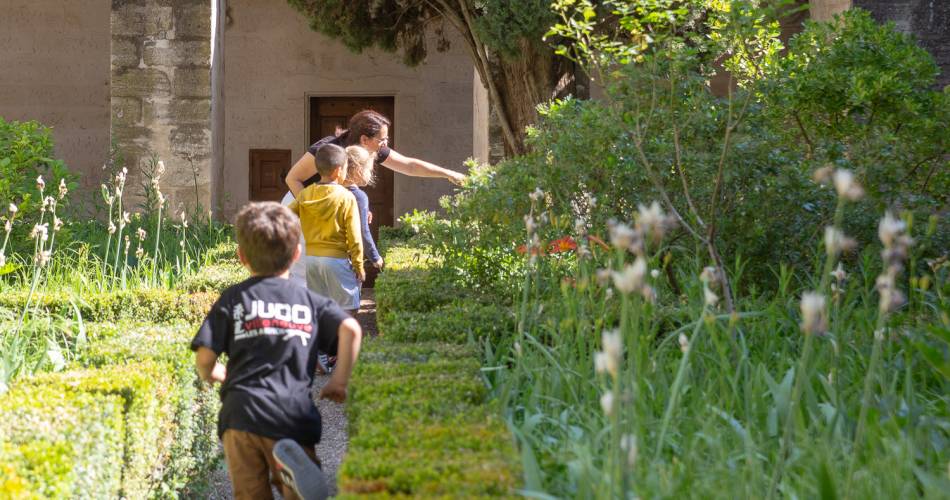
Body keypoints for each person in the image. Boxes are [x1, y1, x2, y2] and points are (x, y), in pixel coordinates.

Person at [191, 201, 362, 500]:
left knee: (249, 492)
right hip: (291, 414)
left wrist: (221, 375)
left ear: (241, 257)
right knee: (298, 489)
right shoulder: (308, 301)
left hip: (240, 414)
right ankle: (292, 478)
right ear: (296, 254)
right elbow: (351, 330)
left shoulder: (233, 298)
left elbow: (205, 360)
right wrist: (339, 381)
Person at [284, 110, 465, 200]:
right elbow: (292, 179)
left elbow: (410, 166)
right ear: (364, 140)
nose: (386, 144)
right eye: (382, 139)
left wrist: (449, 174)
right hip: (300, 206)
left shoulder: (374, 149)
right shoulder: (328, 148)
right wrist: (312, 211)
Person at [288, 144, 365, 312]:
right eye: (346, 168)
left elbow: (285, 216)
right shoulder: (346, 196)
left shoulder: (305, 194)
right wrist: (359, 265)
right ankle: (342, 339)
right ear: (338, 171)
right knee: (348, 308)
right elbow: (355, 236)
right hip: (337, 259)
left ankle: (322, 338)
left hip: (312, 260)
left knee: (320, 309)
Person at [343, 145, 383, 270]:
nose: (370, 174)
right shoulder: (359, 196)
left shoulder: (330, 189)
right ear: (358, 169)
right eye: (369, 169)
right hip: (343, 259)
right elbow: (362, 230)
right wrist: (375, 257)